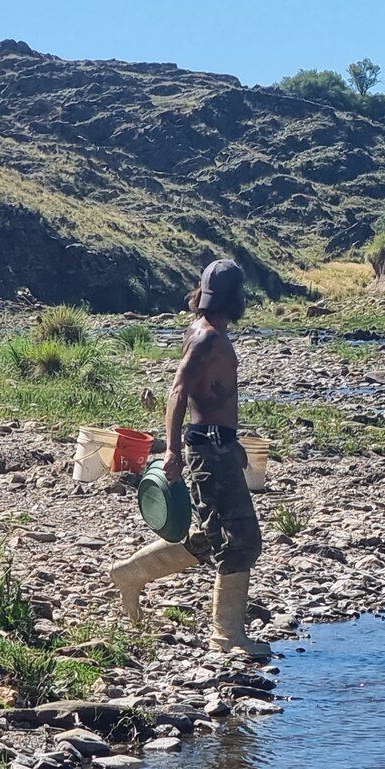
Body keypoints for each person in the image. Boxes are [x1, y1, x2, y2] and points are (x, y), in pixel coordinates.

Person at [106, 259, 271, 659]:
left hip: (217, 446)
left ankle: (129, 575)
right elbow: (178, 392)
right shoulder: (207, 338)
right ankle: (226, 636)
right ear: (235, 298)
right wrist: (174, 452)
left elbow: (209, 397)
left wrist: (232, 443)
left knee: (212, 537)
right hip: (206, 451)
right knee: (240, 540)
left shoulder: (204, 332)